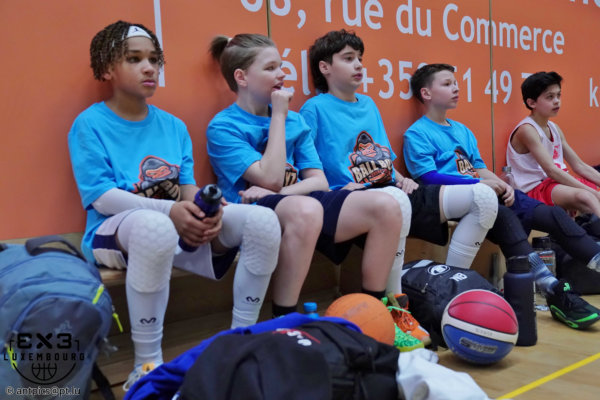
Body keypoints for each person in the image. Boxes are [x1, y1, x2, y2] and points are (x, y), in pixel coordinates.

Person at [68, 21, 281, 391]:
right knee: (155, 228)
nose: (149, 67)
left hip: (173, 228)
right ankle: (146, 366)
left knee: (263, 220)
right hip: (115, 232)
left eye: (153, 59)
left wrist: (204, 210)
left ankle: (239, 343)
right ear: (106, 69)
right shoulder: (90, 123)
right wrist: (171, 212)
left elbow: (185, 187)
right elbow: (102, 197)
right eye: (134, 59)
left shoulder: (173, 126)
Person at [206, 33, 424, 351]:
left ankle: (376, 314)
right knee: (306, 209)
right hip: (249, 213)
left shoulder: (295, 120)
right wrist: (278, 116)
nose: (281, 74)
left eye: (281, 66)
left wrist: (283, 192)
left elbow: (318, 181)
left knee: (387, 206)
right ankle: (285, 321)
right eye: (270, 68)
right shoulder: (224, 126)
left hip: (292, 202)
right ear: (242, 77)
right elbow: (269, 178)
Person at [299, 29, 499, 340]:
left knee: (483, 198)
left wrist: (401, 176)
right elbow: (305, 165)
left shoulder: (368, 104)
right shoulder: (314, 109)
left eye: (360, 58)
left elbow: (381, 156)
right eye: (348, 59)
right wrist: (336, 191)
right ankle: (395, 308)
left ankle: (449, 292)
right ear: (325, 67)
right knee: (397, 201)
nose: (358, 65)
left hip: (391, 186)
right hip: (355, 199)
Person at [404, 63, 600, 330]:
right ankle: (553, 289)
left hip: (486, 190)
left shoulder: (462, 130)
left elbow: (479, 166)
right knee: (506, 217)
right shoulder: (417, 133)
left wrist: (499, 184)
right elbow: (427, 177)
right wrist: (479, 183)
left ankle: (595, 260)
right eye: (447, 84)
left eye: (456, 83)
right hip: (455, 199)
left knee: (552, 213)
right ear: (426, 93)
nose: (456, 88)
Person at [508, 71, 600, 223]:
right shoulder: (527, 130)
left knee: (591, 188)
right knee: (586, 196)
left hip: (554, 183)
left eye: (558, 95)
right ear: (532, 103)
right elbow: (551, 170)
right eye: (550, 97)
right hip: (534, 189)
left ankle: (586, 227)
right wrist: (593, 193)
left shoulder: (554, 128)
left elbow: (579, 165)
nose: (557, 101)